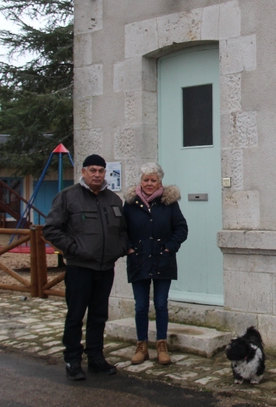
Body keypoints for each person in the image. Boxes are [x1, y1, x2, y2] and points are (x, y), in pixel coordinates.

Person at [43, 154, 127, 381]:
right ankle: (72, 359)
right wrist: (74, 249)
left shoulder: (113, 200)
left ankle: (96, 357)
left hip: (105, 268)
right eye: (92, 170)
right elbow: (51, 230)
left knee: (99, 316)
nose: (97, 175)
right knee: (76, 315)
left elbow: (123, 231)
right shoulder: (67, 197)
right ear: (83, 172)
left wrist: (119, 249)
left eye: (101, 171)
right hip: (79, 268)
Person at [122, 162, 188, 365]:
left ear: (160, 182)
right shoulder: (131, 204)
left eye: (153, 180)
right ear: (140, 181)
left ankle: (161, 345)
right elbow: (121, 230)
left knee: (160, 304)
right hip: (139, 260)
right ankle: (141, 346)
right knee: (141, 306)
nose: (149, 184)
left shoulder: (169, 203)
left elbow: (181, 228)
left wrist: (170, 247)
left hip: (162, 260)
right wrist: (129, 249)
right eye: (146, 180)